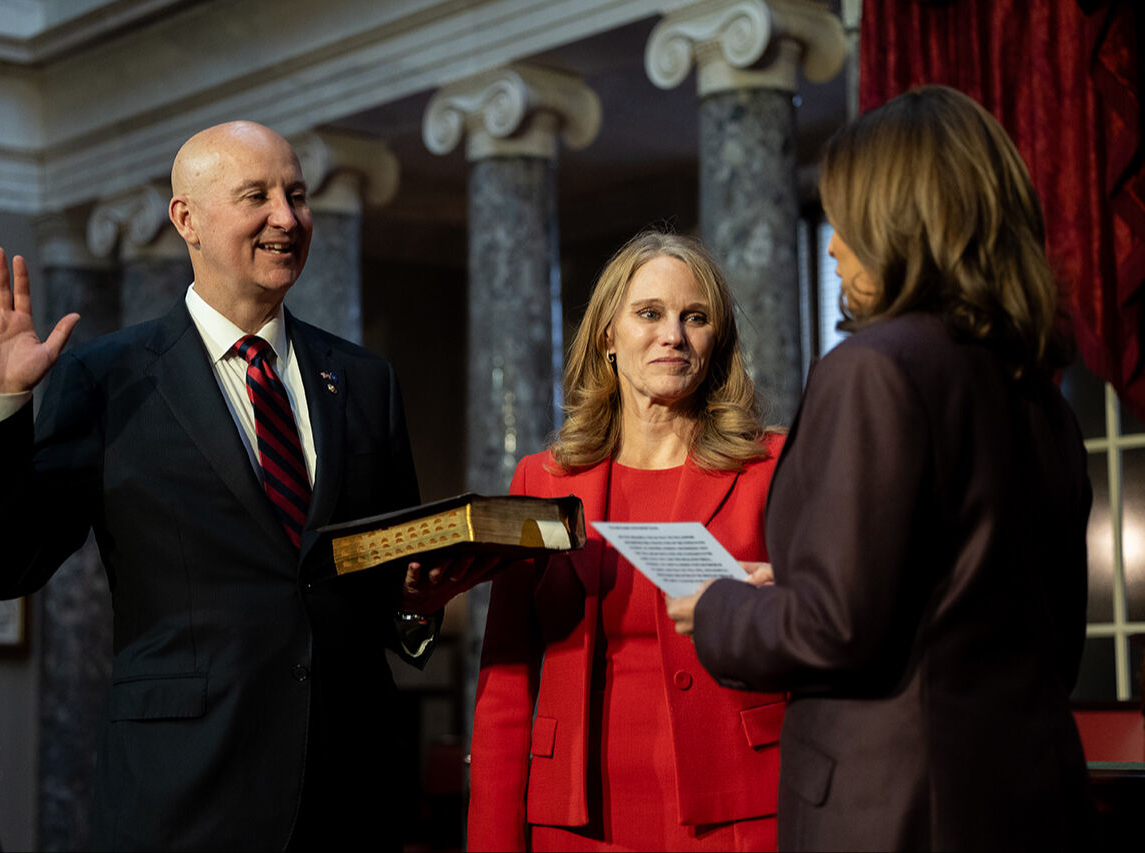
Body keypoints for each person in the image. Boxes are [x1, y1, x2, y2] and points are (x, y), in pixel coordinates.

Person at [0, 120, 471, 851]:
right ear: (186, 219)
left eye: (297, 195)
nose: (286, 218)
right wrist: (0, 405)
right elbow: (5, 566)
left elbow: (380, 590)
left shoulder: (363, 381)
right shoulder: (110, 377)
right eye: (256, 195)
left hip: (350, 795)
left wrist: (415, 609)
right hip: (184, 797)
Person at [666, 85, 1095, 851]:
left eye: (844, 219)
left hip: (897, 808)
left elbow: (835, 629)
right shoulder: (1036, 391)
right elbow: (1053, 642)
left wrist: (724, 608)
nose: (831, 245)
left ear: (898, 220)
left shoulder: (875, 369)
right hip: (1029, 799)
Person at [468, 230, 787, 852]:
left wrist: (781, 596)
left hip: (740, 810)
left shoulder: (770, 469)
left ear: (715, 340)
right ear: (608, 336)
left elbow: (826, 626)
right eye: (649, 314)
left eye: (695, 317)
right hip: (576, 820)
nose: (674, 334)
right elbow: (506, 681)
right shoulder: (543, 478)